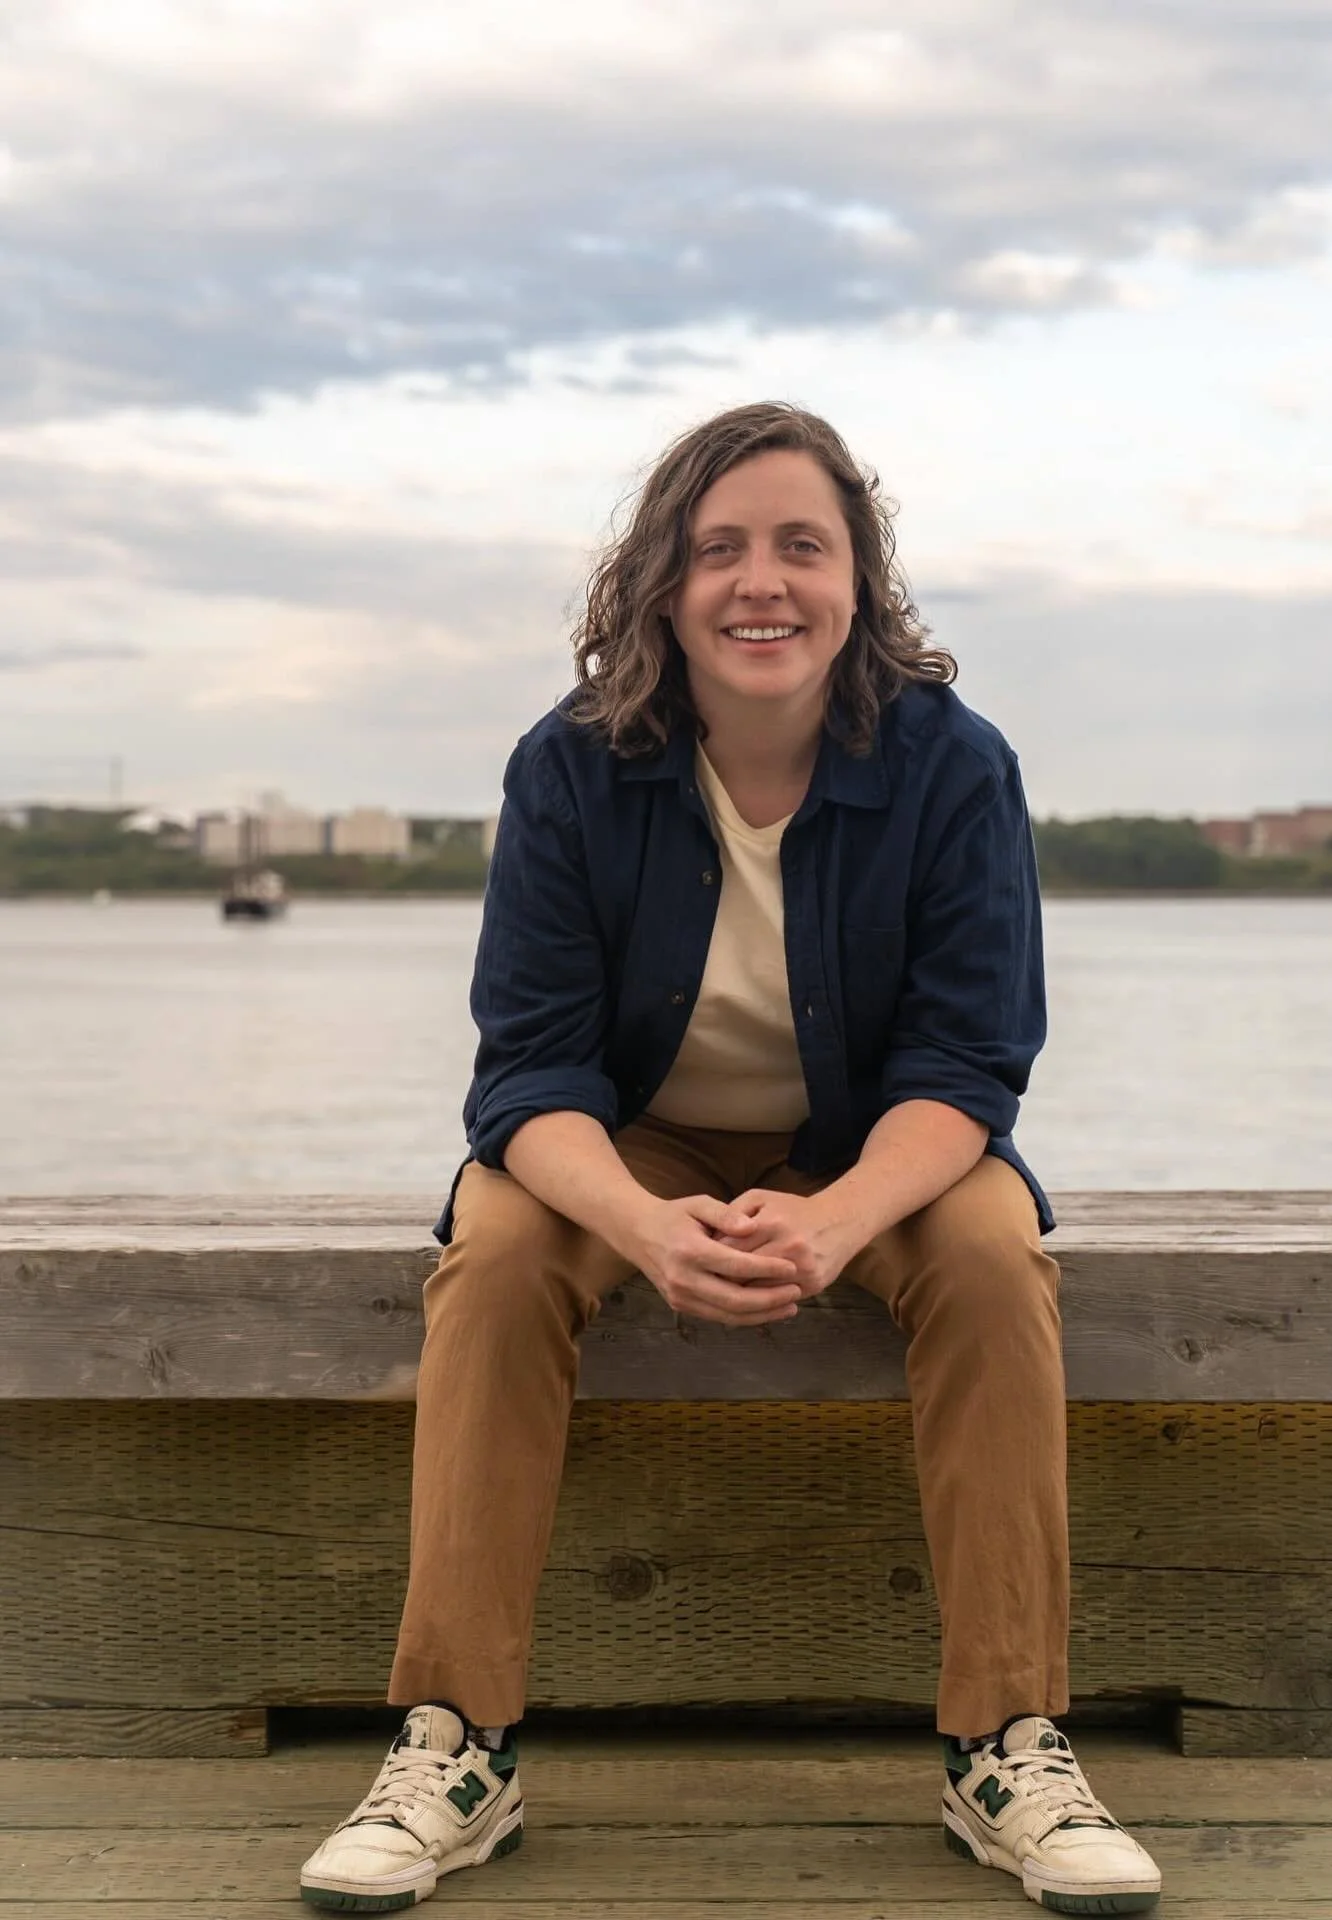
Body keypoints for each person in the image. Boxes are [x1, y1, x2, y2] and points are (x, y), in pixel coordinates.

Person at [299, 402, 1163, 1915]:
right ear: (663, 587)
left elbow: (969, 1069)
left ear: (858, 580)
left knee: (985, 1252)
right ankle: (459, 1743)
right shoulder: (570, 770)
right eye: (719, 549)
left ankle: (1007, 1743)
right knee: (497, 1252)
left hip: (875, 1142)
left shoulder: (956, 768)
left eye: (801, 546)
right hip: (624, 1139)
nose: (761, 582)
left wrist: (835, 1225)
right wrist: (640, 1223)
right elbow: (531, 1073)